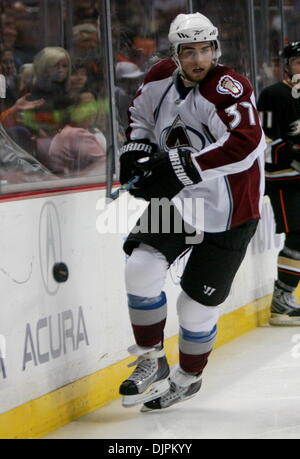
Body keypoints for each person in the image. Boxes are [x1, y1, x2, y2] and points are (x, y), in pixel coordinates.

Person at [118, 12, 266, 411]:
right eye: (190, 51)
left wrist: (184, 167)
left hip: (231, 206)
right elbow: (140, 120)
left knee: (194, 307)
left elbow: (246, 142)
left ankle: (188, 377)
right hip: (180, 201)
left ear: (216, 49)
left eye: (206, 49)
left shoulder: (228, 87)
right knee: (141, 267)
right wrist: (136, 152)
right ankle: (151, 361)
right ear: (176, 54)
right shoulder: (158, 80)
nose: (199, 59)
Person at [257, 41, 300, 326]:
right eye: (299, 62)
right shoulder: (273, 95)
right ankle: (282, 300)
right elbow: (263, 141)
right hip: (284, 180)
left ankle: (285, 298)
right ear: (286, 65)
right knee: (297, 237)